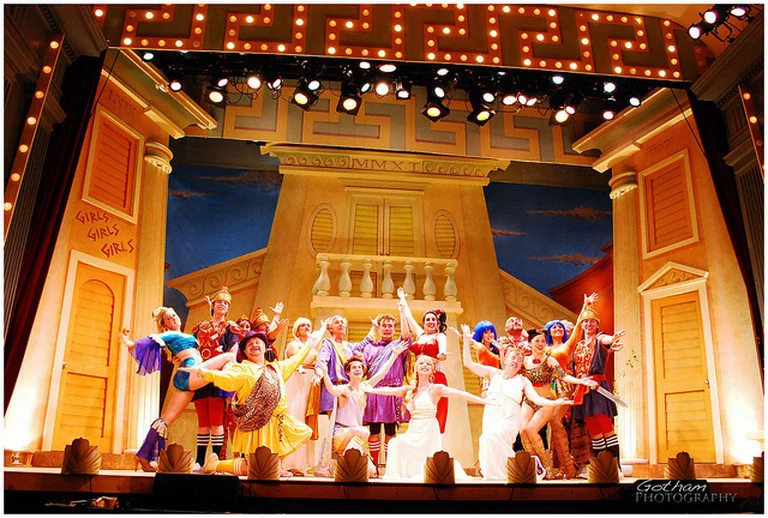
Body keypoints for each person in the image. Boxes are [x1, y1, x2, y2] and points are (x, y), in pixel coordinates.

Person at [183, 330, 322, 476]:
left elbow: (295, 360)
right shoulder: (242, 368)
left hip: (279, 422)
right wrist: (202, 371)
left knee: (304, 432)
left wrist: (310, 343)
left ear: (265, 348)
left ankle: (274, 464)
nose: (254, 345)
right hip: (256, 424)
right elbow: (225, 378)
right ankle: (216, 464)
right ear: (245, 351)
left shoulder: (275, 368)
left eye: (258, 342)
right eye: (250, 344)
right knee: (254, 468)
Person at [120, 306, 236, 472]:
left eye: (174, 315)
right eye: (168, 318)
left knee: (166, 419)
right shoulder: (169, 334)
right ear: (164, 325)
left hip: (186, 376)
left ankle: (143, 455)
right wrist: (128, 341)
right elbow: (151, 340)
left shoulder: (183, 335)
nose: (173, 318)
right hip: (190, 373)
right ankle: (230, 380)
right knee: (229, 357)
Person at [455, 324, 573, 481]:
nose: (516, 361)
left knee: (494, 437)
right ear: (505, 360)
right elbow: (468, 364)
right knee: (485, 440)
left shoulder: (523, 381)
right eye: (513, 358)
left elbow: (536, 398)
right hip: (491, 415)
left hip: (509, 418)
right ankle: (495, 476)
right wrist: (466, 340)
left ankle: (512, 471)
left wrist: (554, 403)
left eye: (519, 360)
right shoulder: (493, 373)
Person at [363, 354, 493, 481]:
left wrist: (483, 401)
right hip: (414, 430)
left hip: (428, 432)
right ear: (416, 369)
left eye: (428, 364)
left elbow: (460, 394)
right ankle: (398, 477)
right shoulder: (409, 390)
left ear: (432, 370)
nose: (424, 365)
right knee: (395, 443)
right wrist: (370, 390)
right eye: (421, 363)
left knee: (398, 444)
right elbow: (388, 391)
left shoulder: (436, 389)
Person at [319, 340, 409, 477]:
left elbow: (381, 373)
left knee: (371, 472)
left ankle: (345, 464)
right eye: (354, 368)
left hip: (357, 437)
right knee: (363, 431)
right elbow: (331, 389)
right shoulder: (344, 389)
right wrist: (325, 373)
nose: (357, 369)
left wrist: (394, 355)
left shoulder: (364, 387)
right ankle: (341, 461)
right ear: (348, 372)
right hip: (342, 434)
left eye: (360, 367)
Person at [519, 328, 597, 479]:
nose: (540, 344)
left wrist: (581, 381)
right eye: (537, 341)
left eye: (543, 341)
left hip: (546, 401)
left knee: (531, 429)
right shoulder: (525, 361)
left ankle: (547, 468)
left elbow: (563, 377)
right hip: (529, 400)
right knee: (522, 430)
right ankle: (537, 467)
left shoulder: (550, 360)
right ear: (530, 343)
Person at [545, 292, 598, 478]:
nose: (557, 329)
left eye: (560, 327)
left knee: (565, 423)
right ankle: (562, 467)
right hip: (549, 389)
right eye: (554, 326)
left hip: (565, 386)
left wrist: (585, 305)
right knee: (555, 428)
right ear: (549, 331)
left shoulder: (567, 346)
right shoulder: (544, 349)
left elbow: (578, 328)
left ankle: (574, 464)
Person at [352, 304, 411, 470]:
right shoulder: (369, 347)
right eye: (384, 326)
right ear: (379, 328)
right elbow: (363, 369)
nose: (387, 329)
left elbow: (406, 336)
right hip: (374, 392)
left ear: (394, 329)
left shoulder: (399, 345)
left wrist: (402, 312)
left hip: (393, 392)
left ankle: (390, 466)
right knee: (374, 430)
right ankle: (375, 465)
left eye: (390, 326)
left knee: (391, 431)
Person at [571, 302, 625, 471]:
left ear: (597, 325)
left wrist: (613, 338)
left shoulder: (599, 339)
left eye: (592, 321)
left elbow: (606, 340)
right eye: (585, 321)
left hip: (597, 386)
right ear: (581, 325)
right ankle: (603, 467)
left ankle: (616, 467)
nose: (589, 324)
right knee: (593, 428)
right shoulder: (578, 346)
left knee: (605, 426)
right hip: (582, 389)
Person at [190, 286, 240, 467]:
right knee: (202, 420)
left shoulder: (230, 328)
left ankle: (215, 461)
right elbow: (192, 350)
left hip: (217, 376)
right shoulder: (200, 327)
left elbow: (232, 353)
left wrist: (225, 373)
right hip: (200, 374)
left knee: (216, 419)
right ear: (212, 305)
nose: (222, 305)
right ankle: (199, 461)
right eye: (219, 302)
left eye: (225, 303)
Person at [397, 287, 451, 434]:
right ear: (423, 323)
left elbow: (442, 351)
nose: (430, 322)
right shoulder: (420, 335)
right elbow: (408, 317)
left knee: (435, 413)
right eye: (428, 320)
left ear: (438, 323)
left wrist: (442, 355)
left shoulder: (440, 336)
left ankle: (434, 443)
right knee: (417, 410)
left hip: (435, 376)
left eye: (433, 319)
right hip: (418, 378)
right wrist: (402, 298)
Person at [281, 317, 326, 476]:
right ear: (297, 330)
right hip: (296, 379)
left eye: (308, 325)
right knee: (296, 415)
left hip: (310, 382)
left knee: (307, 419)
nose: (306, 327)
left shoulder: (314, 347)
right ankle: (289, 463)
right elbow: (294, 358)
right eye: (302, 326)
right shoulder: (294, 344)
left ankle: (303, 464)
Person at [468, 320, 500, 397]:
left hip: (498, 379)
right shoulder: (480, 347)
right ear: (481, 335)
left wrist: (501, 350)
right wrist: (465, 338)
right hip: (487, 381)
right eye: (486, 332)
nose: (489, 335)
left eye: (491, 332)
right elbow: (472, 342)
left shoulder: (498, 349)